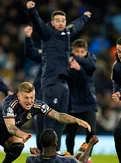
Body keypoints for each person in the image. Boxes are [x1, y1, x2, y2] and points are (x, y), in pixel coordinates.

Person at [0, 82, 91, 163]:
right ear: (18, 95)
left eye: (32, 97)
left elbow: (57, 115)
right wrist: (23, 134)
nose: (30, 101)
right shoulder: (9, 102)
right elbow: (10, 127)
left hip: (10, 132)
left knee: (19, 146)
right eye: (26, 97)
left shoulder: (37, 105)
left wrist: (76, 120)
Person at [26, 1, 91, 152]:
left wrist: (84, 17)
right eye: (58, 21)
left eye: (63, 20)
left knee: (61, 120)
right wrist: (32, 10)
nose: (61, 23)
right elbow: (38, 23)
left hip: (64, 82)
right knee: (50, 119)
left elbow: (76, 26)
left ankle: (56, 151)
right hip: (51, 81)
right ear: (52, 22)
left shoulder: (66, 34)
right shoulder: (47, 33)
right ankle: (45, 153)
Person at [65, 39, 98, 163]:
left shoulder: (90, 61)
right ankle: (70, 158)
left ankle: (87, 159)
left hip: (88, 102)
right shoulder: (69, 64)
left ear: (86, 52)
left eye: (81, 52)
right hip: (72, 102)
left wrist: (78, 67)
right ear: (73, 51)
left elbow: (89, 72)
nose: (79, 54)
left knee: (91, 133)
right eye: (76, 52)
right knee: (70, 134)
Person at [26, 129, 98, 163]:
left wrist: (37, 155)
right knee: (82, 152)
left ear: (40, 143)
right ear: (56, 143)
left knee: (77, 154)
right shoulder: (67, 161)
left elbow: (44, 162)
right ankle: (82, 150)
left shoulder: (30, 159)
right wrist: (90, 145)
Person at [23, 26, 44, 151]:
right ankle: (41, 152)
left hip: (57, 92)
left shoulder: (63, 54)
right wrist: (28, 38)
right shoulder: (45, 54)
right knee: (40, 123)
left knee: (54, 124)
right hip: (41, 93)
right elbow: (31, 53)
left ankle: (54, 152)